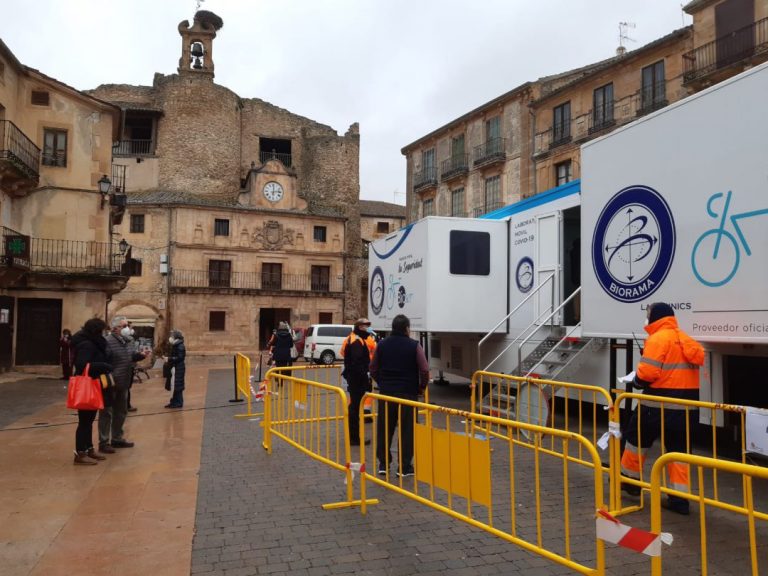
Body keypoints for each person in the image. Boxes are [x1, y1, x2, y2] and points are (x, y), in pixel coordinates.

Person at [620, 302, 705, 515]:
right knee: (678, 455)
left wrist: (637, 381)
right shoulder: (684, 338)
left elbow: (647, 374)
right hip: (686, 409)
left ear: (656, 316)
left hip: (655, 407)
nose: (646, 319)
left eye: (648, 315)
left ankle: (630, 483)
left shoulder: (658, 338)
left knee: (635, 442)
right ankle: (680, 501)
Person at [369, 314, 429, 477]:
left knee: (384, 428)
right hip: (408, 393)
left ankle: (383, 464)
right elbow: (424, 370)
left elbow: (373, 368)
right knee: (407, 430)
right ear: (407, 329)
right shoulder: (414, 346)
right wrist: (421, 387)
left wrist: (382, 382)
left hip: (387, 394)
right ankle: (404, 466)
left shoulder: (382, 345)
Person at [99, 316, 146, 452]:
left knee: (121, 412)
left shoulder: (128, 341)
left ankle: (117, 438)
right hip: (111, 382)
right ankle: (103, 442)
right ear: (115, 328)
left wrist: (140, 355)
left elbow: (130, 357)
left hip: (124, 382)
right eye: (124, 326)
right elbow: (104, 361)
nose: (127, 328)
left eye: (127, 325)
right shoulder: (107, 342)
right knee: (106, 413)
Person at [71, 318, 113, 465]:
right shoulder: (87, 345)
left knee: (89, 421)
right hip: (87, 386)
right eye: (101, 330)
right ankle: (80, 453)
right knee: (84, 422)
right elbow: (82, 366)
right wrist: (103, 365)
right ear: (96, 331)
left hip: (94, 385)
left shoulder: (93, 342)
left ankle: (89, 449)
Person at [340, 318, 377, 446]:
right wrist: (364, 377)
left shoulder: (358, 338)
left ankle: (354, 437)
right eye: (366, 326)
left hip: (355, 378)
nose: (367, 328)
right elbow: (357, 363)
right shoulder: (356, 341)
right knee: (355, 408)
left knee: (355, 407)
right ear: (360, 327)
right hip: (357, 379)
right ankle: (354, 438)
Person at [164, 330, 186, 409]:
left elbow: (180, 357)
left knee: (177, 385)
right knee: (174, 385)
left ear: (176, 337)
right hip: (175, 367)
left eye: (172, 336)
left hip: (178, 368)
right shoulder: (175, 345)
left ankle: (178, 403)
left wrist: (169, 359)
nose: (170, 337)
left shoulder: (180, 346)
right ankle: (173, 402)